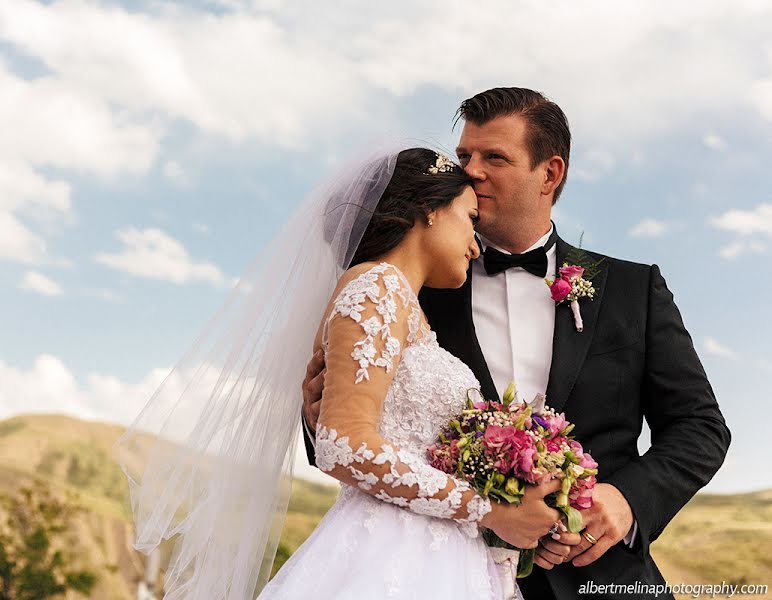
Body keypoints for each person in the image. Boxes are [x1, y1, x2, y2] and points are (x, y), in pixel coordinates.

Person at [301, 88, 731, 600]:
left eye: (494, 158)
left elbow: (700, 426)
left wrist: (626, 500)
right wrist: (314, 420)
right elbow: (354, 433)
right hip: (443, 572)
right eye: (464, 156)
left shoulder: (632, 290)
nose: (471, 171)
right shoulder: (411, 291)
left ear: (550, 173)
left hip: (602, 579)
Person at [117, 146, 540, 599]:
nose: (476, 245)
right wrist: (486, 509)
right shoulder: (378, 286)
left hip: (434, 552)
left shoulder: (400, 301)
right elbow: (343, 444)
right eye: (470, 219)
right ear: (430, 211)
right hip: (390, 554)